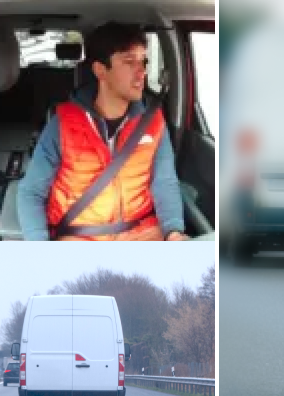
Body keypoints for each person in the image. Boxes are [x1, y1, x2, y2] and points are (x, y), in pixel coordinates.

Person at [17, 22, 187, 241]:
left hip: (141, 234)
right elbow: (31, 192)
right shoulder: (63, 124)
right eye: (129, 62)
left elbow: (165, 182)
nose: (142, 72)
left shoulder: (153, 121)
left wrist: (173, 231)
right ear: (100, 70)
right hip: (80, 238)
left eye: (143, 61)